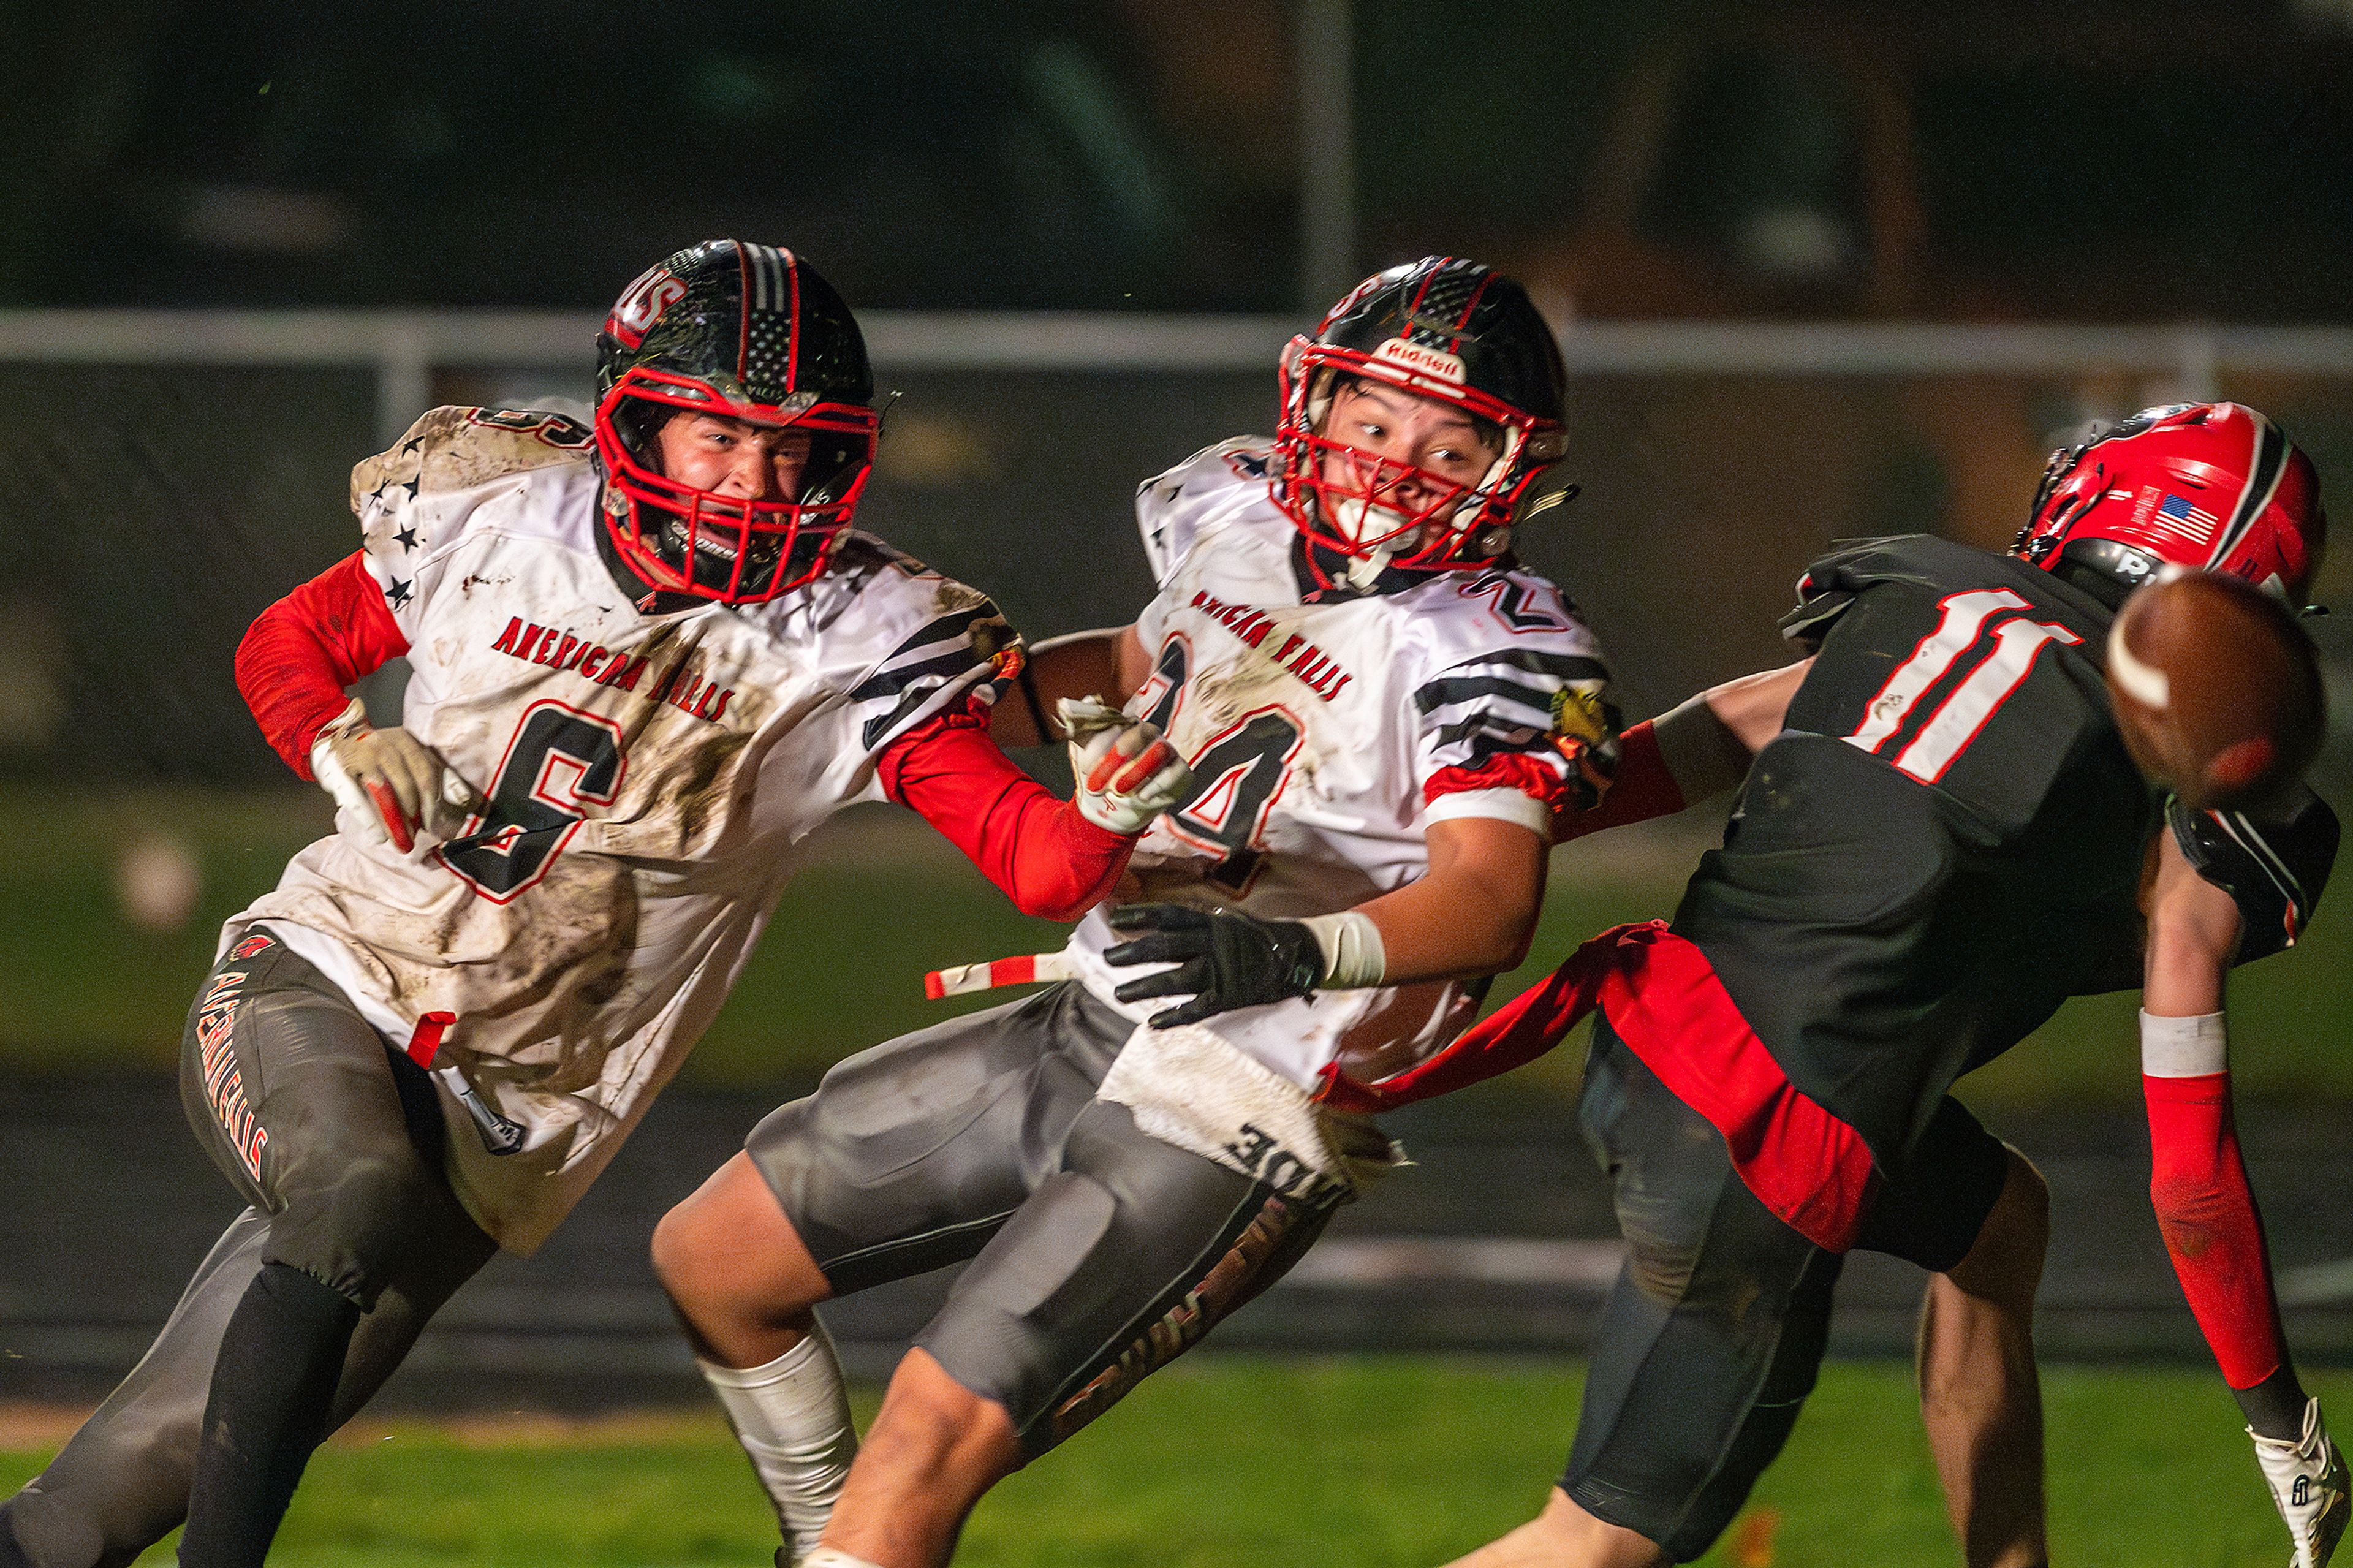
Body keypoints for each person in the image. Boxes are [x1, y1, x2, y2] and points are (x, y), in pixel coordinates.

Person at [0, 238, 1192, 1568]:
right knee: (354, 1187)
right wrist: (343, 740)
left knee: (80, 1520)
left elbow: (1032, 860)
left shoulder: (860, 636)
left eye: (793, 454)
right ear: (634, 424)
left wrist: (1113, 809)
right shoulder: (505, 512)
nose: (759, 485)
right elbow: (289, 642)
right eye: (721, 443)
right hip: (333, 969)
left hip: (518, 1106)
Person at [650, 256, 1622, 1568]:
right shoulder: (1232, 518)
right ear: (1312, 401)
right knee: (717, 1254)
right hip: (1094, 1011)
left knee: (925, 1443)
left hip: (1244, 1100)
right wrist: (954, 705)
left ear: (1515, 462)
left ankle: (860, 1543)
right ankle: (831, 1543)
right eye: (1374, 420)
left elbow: (1491, 899)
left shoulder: (1491, 645)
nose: (1396, 463)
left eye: (1448, 442)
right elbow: (1143, 659)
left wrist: (1289, 946)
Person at [1331, 401, 2345, 1568]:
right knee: (1596, 1547)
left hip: (1662, 1027)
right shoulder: (2181, 811)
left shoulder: (1933, 599)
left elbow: (1708, 736)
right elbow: (2191, 1181)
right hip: (1769, 1130)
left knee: (1997, 1223)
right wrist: (2280, 1419)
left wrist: (1441, 855)